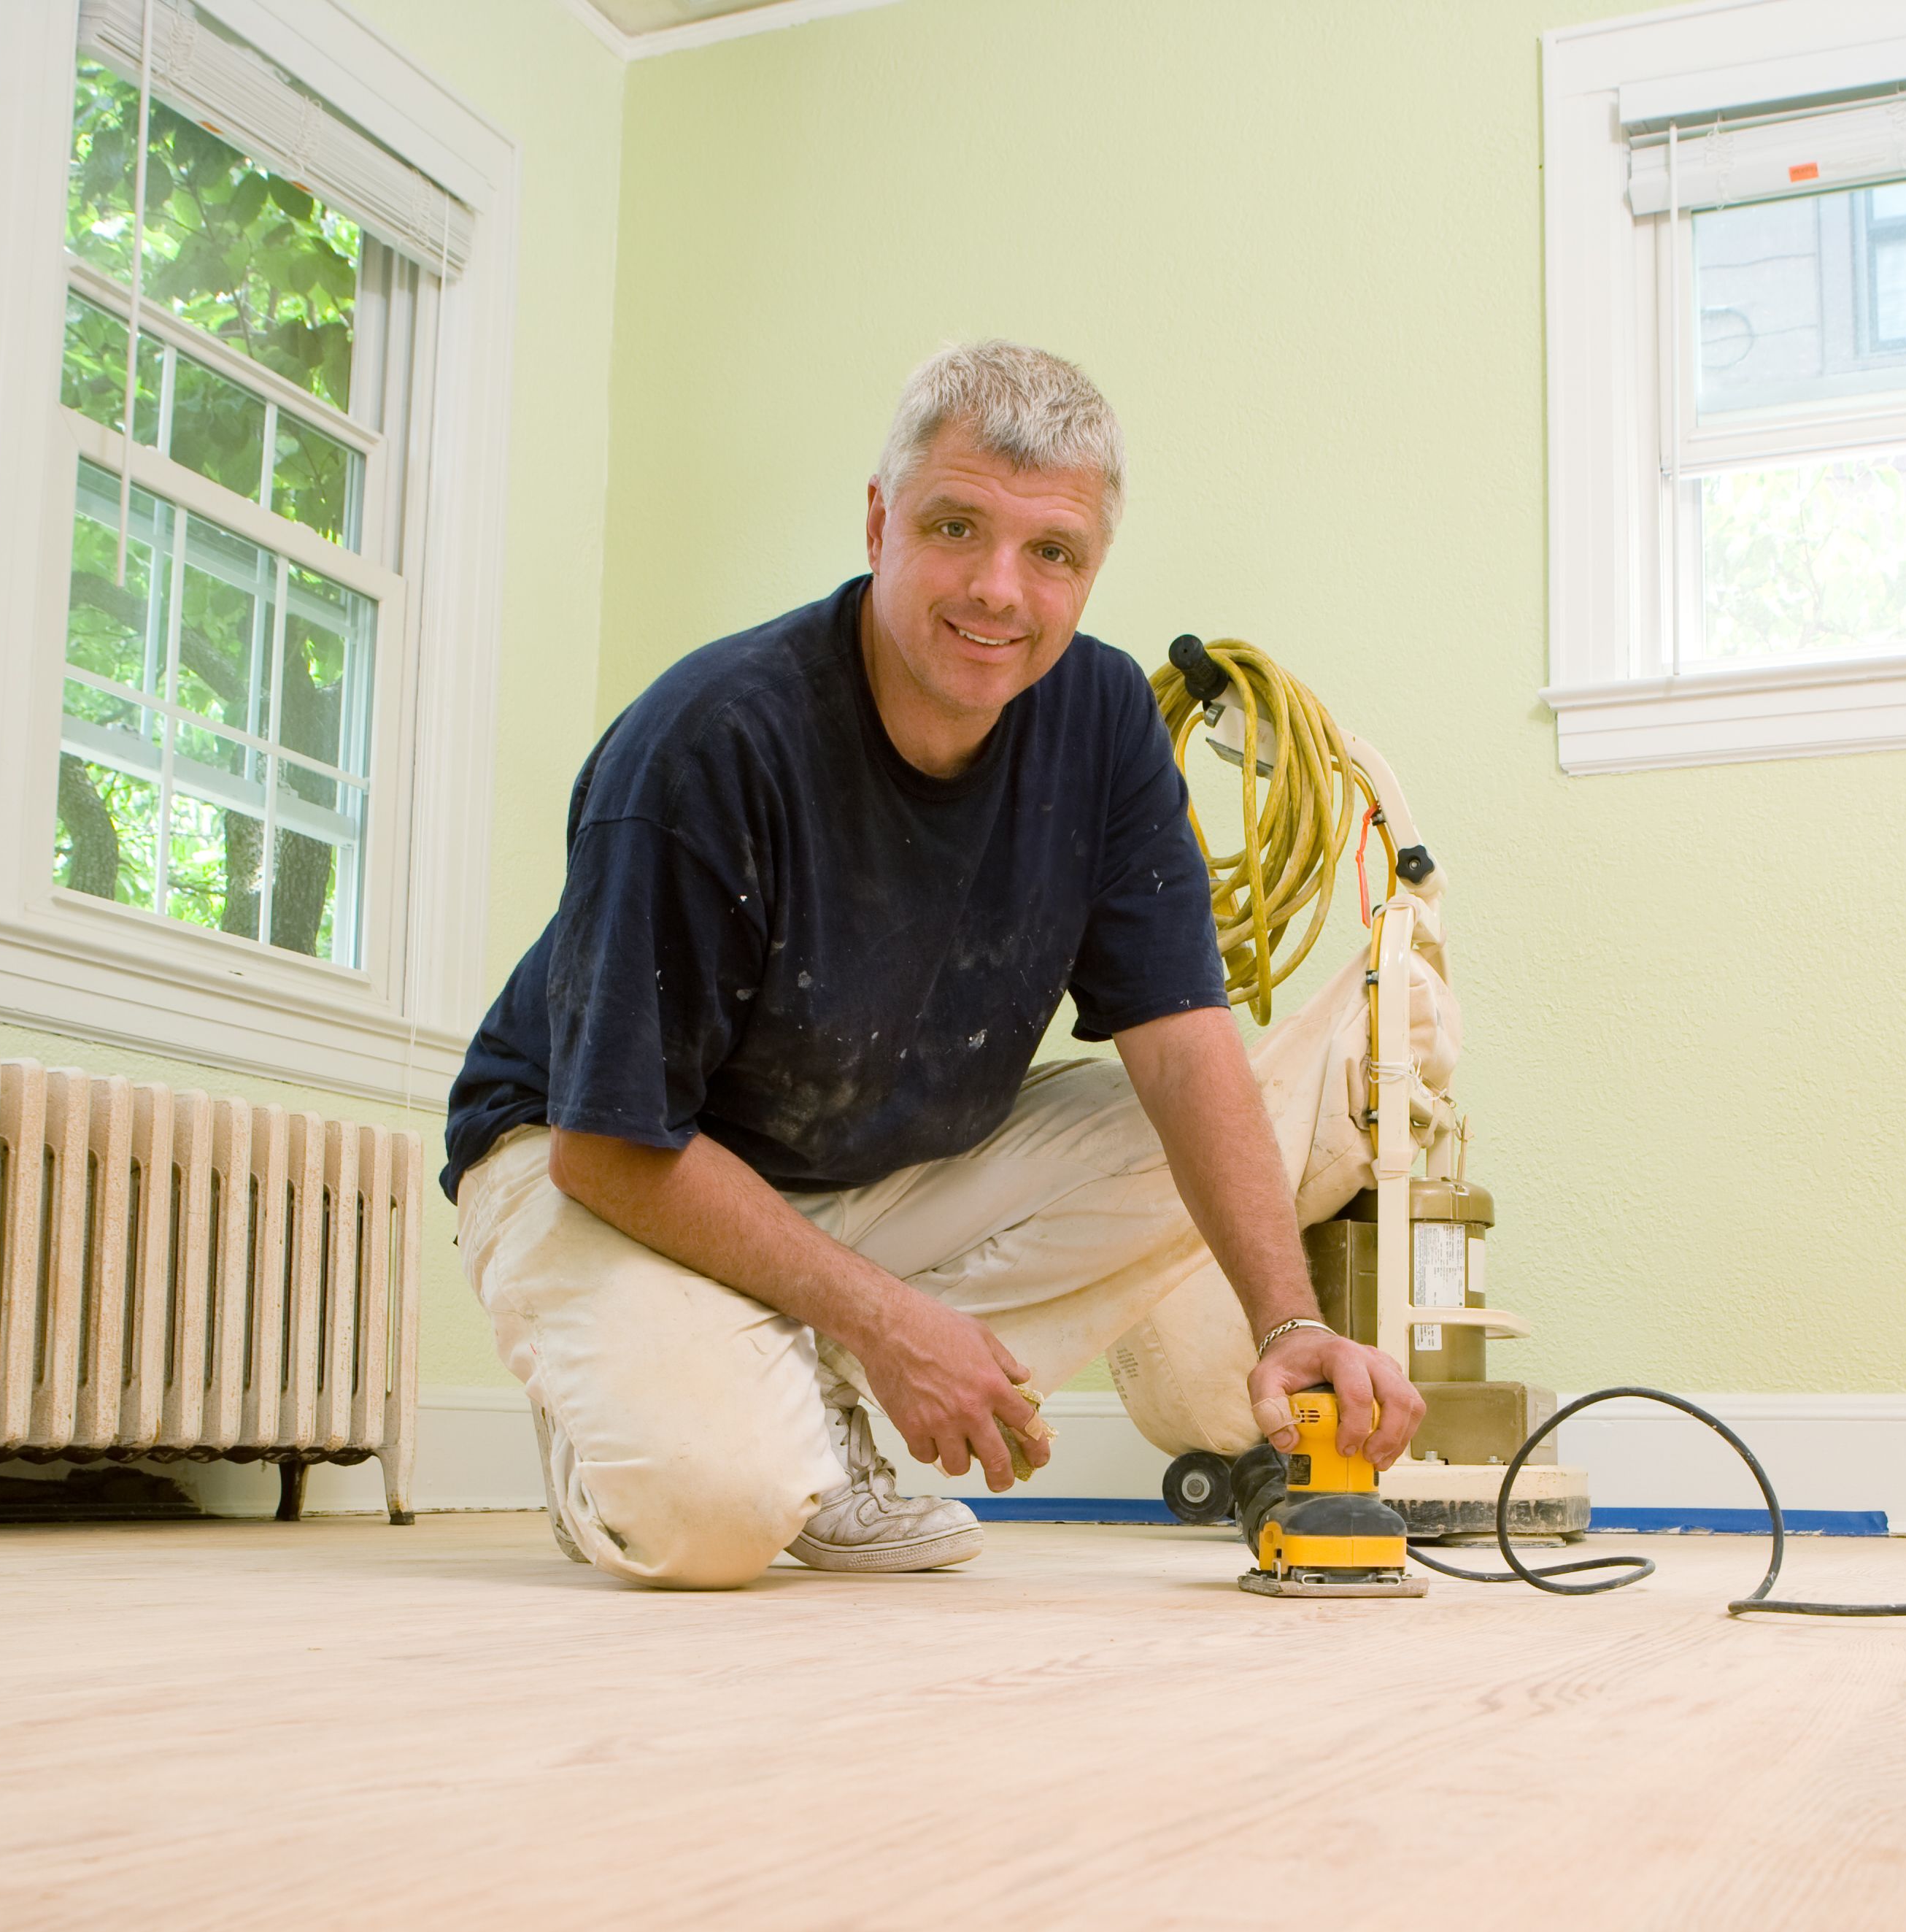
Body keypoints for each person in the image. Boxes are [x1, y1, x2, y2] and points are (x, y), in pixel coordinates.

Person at [444, 341, 1456, 1587]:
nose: (998, 590)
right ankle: (640, 1435)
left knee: (1232, 1123)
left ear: (1091, 571)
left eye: (1052, 554)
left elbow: (1185, 1047)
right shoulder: (709, 747)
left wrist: (1287, 1322)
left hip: (848, 1170)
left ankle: (788, 1370)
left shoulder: (1100, 724)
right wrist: (883, 1316)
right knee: (716, 1522)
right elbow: (610, 1146)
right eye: (955, 526)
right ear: (879, 521)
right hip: (589, 1159)